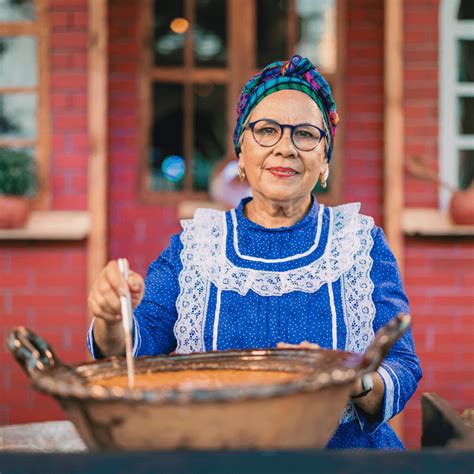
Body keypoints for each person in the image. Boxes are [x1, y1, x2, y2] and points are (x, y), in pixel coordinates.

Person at [87, 55, 422, 449]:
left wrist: (353, 378)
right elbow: (133, 353)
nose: (285, 148)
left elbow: (403, 364)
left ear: (325, 160)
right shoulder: (197, 246)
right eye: (267, 130)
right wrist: (111, 318)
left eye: (305, 134)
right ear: (241, 155)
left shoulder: (360, 243)